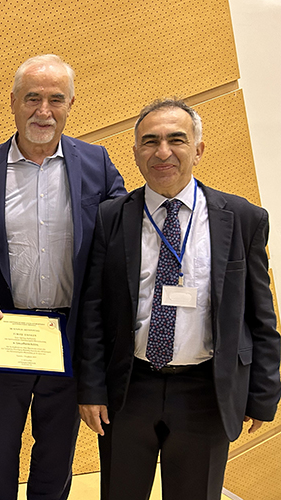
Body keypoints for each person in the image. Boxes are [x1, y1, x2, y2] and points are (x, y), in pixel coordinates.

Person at [77, 98, 281, 499]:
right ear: (136, 152)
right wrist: (91, 389)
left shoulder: (243, 218)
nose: (163, 152)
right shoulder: (111, 217)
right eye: (150, 141)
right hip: (128, 389)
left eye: (176, 139)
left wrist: (263, 393)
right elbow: (94, 313)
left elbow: (262, 315)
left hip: (206, 391)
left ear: (198, 149)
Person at [0, 54, 126, 500]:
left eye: (56, 99)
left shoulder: (97, 163)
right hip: (3, 333)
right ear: (13, 102)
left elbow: (120, 240)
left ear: (71, 104)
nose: (44, 111)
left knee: (56, 452)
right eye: (32, 98)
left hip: (69, 336)